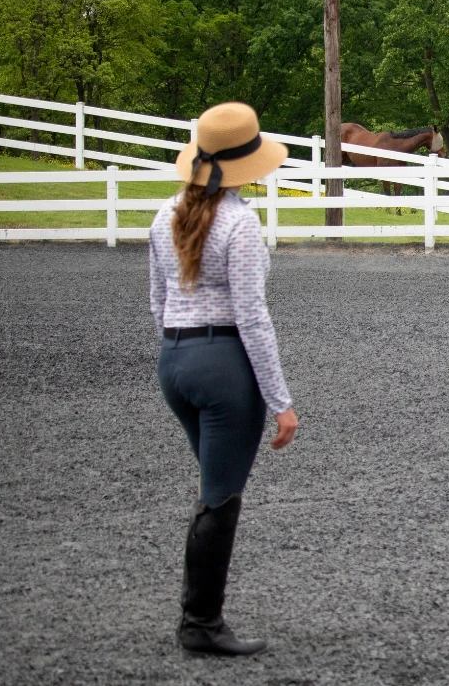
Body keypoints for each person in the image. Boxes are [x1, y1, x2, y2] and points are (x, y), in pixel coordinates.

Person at [149, 101, 299, 657]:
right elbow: (252, 317)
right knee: (220, 496)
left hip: (175, 363)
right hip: (223, 368)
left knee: (212, 487)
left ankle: (200, 618)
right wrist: (280, 401)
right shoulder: (238, 223)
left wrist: (179, 356)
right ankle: (200, 624)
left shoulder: (163, 216)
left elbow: (158, 302)